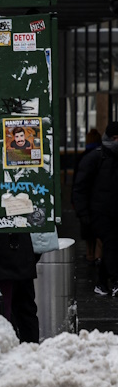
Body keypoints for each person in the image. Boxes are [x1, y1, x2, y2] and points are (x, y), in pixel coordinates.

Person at [72, 121, 118, 297]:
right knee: (111, 243)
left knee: (111, 246)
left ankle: (101, 282)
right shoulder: (96, 158)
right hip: (100, 213)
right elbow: (80, 188)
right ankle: (115, 280)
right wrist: (83, 214)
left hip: (111, 211)